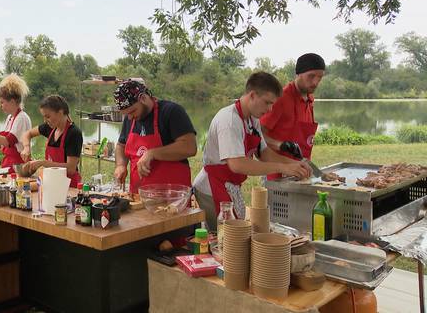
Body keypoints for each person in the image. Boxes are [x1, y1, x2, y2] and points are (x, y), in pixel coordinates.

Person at [192, 72, 311, 230]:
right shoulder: (229, 120)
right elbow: (237, 164)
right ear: (252, 95)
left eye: (273, 104)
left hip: (230, 186)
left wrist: (296, 163)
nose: (270, 109)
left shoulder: (252, 119)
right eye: (267, 103)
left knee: (233, 237)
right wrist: (283, 168)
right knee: (224, 240)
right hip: (212, 188)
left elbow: (264, 153)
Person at [113, 80, 197, 194]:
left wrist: (152, 153)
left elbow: (189, 147)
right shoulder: (131, 119)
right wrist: (121, 165)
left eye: (132, 111)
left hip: (172, 197)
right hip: (139, 196)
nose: (130, 117)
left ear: (143, 98)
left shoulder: (171, 111)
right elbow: (121, 146)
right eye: (126, 114)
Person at [260, 53, 325, 180]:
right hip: (276, 172)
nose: (316, 82)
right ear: (299, 73)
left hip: (301, 170)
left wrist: (320, 175)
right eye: (311, 76)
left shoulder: (310, 99)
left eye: (320, 77)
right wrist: (280, 145)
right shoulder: (281, 98)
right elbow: (258, 134)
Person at [20, 95, 82, 187]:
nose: (45, 120)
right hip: (51, 183)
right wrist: (26, 148)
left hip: (69, 187)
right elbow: (27, 134)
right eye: (44, 117)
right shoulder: (49, 128)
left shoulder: (73, 133)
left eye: (48, 116)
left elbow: (71, 168)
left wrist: (43, 163)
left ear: (60, 112)